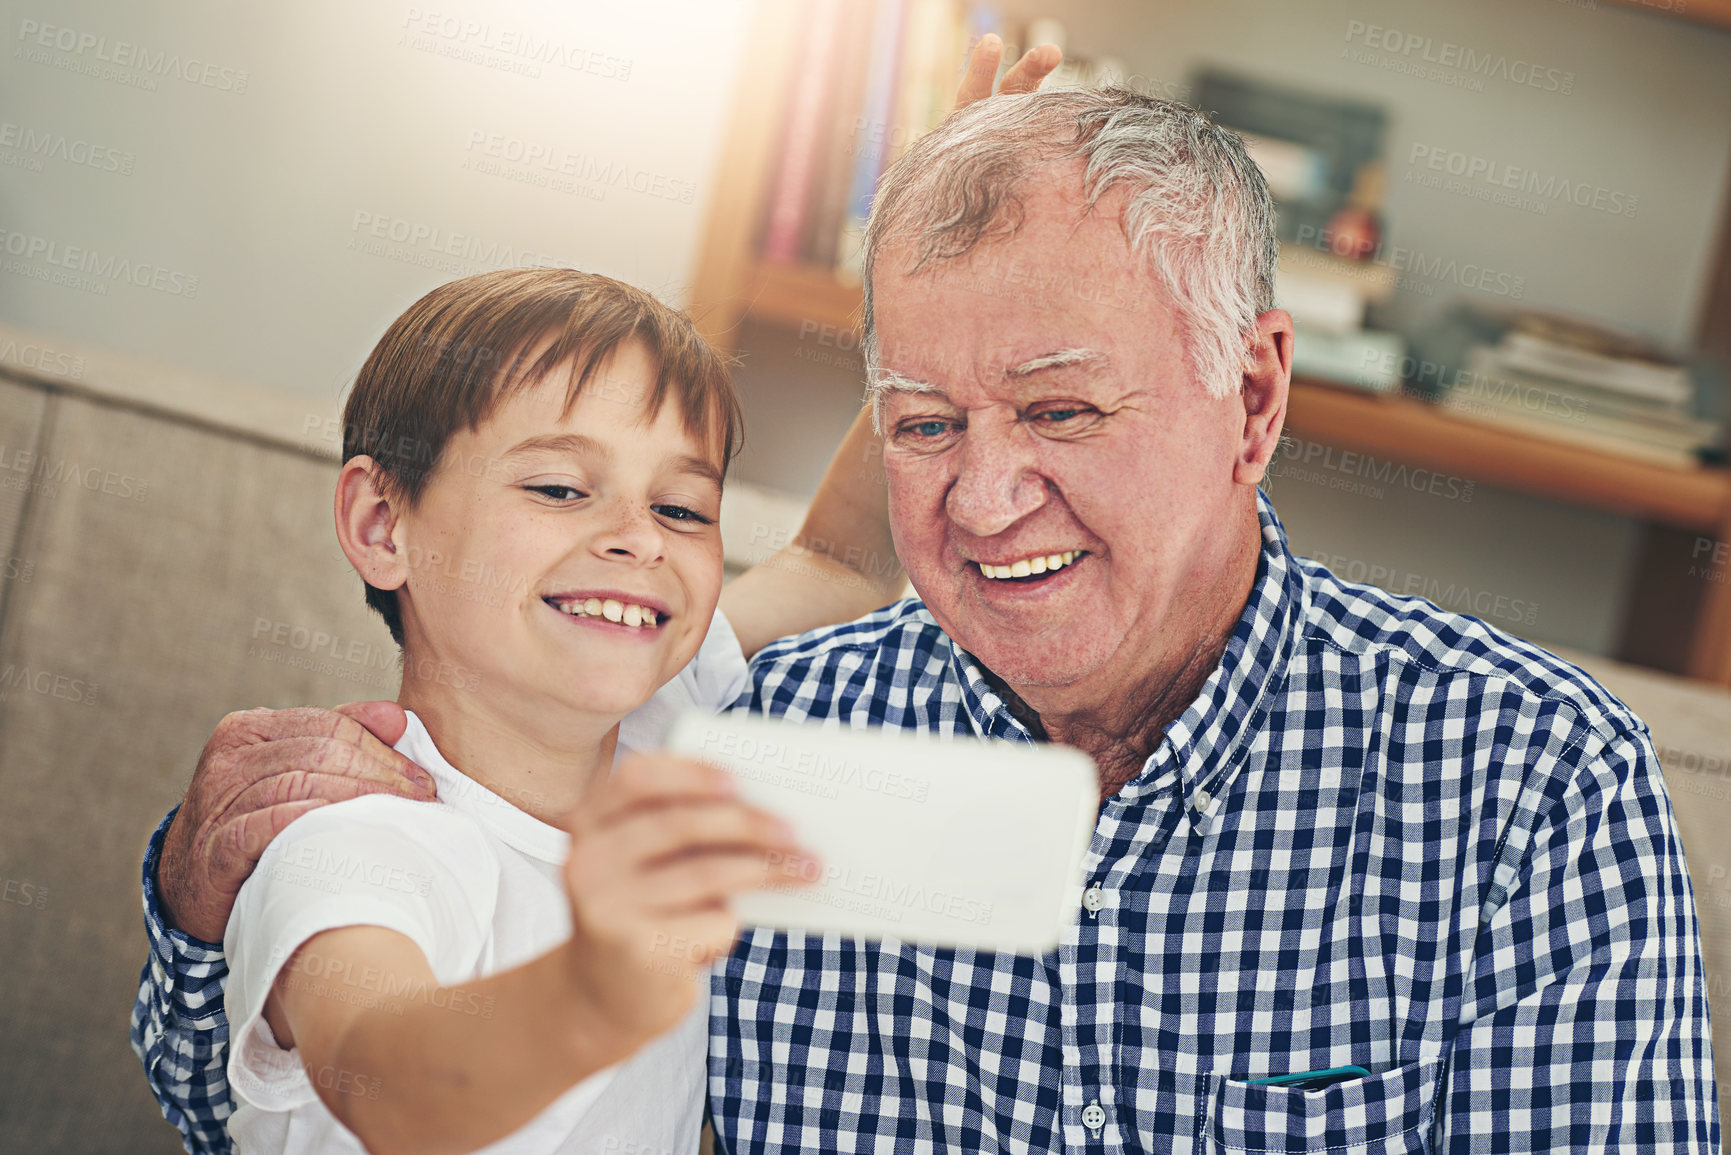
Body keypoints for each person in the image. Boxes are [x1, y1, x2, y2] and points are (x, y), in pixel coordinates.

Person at [138, 52, 1718, 1155]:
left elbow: (828, 550)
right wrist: (201, 908)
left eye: (1063, 411)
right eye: (919, 424)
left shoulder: (1522, 779)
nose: (977, 502)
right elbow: (286, 1098)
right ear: (378, 520)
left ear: (1249, 401)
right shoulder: (733, 741)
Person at [208, 265, 870, 1154]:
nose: (638, 536)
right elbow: (395, 1087)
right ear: (381, 526)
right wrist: (593, 992)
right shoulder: (355, 841)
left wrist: (956, 315)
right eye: (559, 488)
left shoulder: (665, 722)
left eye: (682, 507)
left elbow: (841, 563)